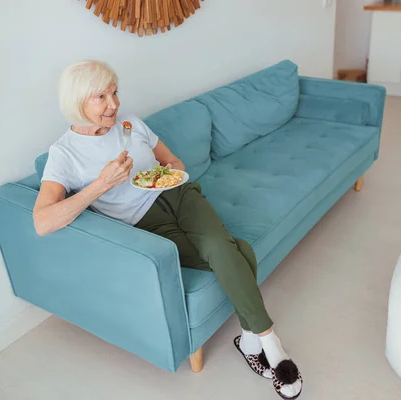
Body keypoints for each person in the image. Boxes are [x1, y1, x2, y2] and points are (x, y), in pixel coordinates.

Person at [33, 60, 303, 399]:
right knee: (240, 250)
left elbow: (174, 163)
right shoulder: (64, 154)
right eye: (101, 97)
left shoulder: (131, 125)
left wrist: (167, 174)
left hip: (180, 196)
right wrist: (100, 186)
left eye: (114, 92)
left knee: (220, 248)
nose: (114, 104)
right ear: (78, 102)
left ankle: (268, 341)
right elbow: (42, 222)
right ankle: (251, 340)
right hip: (146, 223)